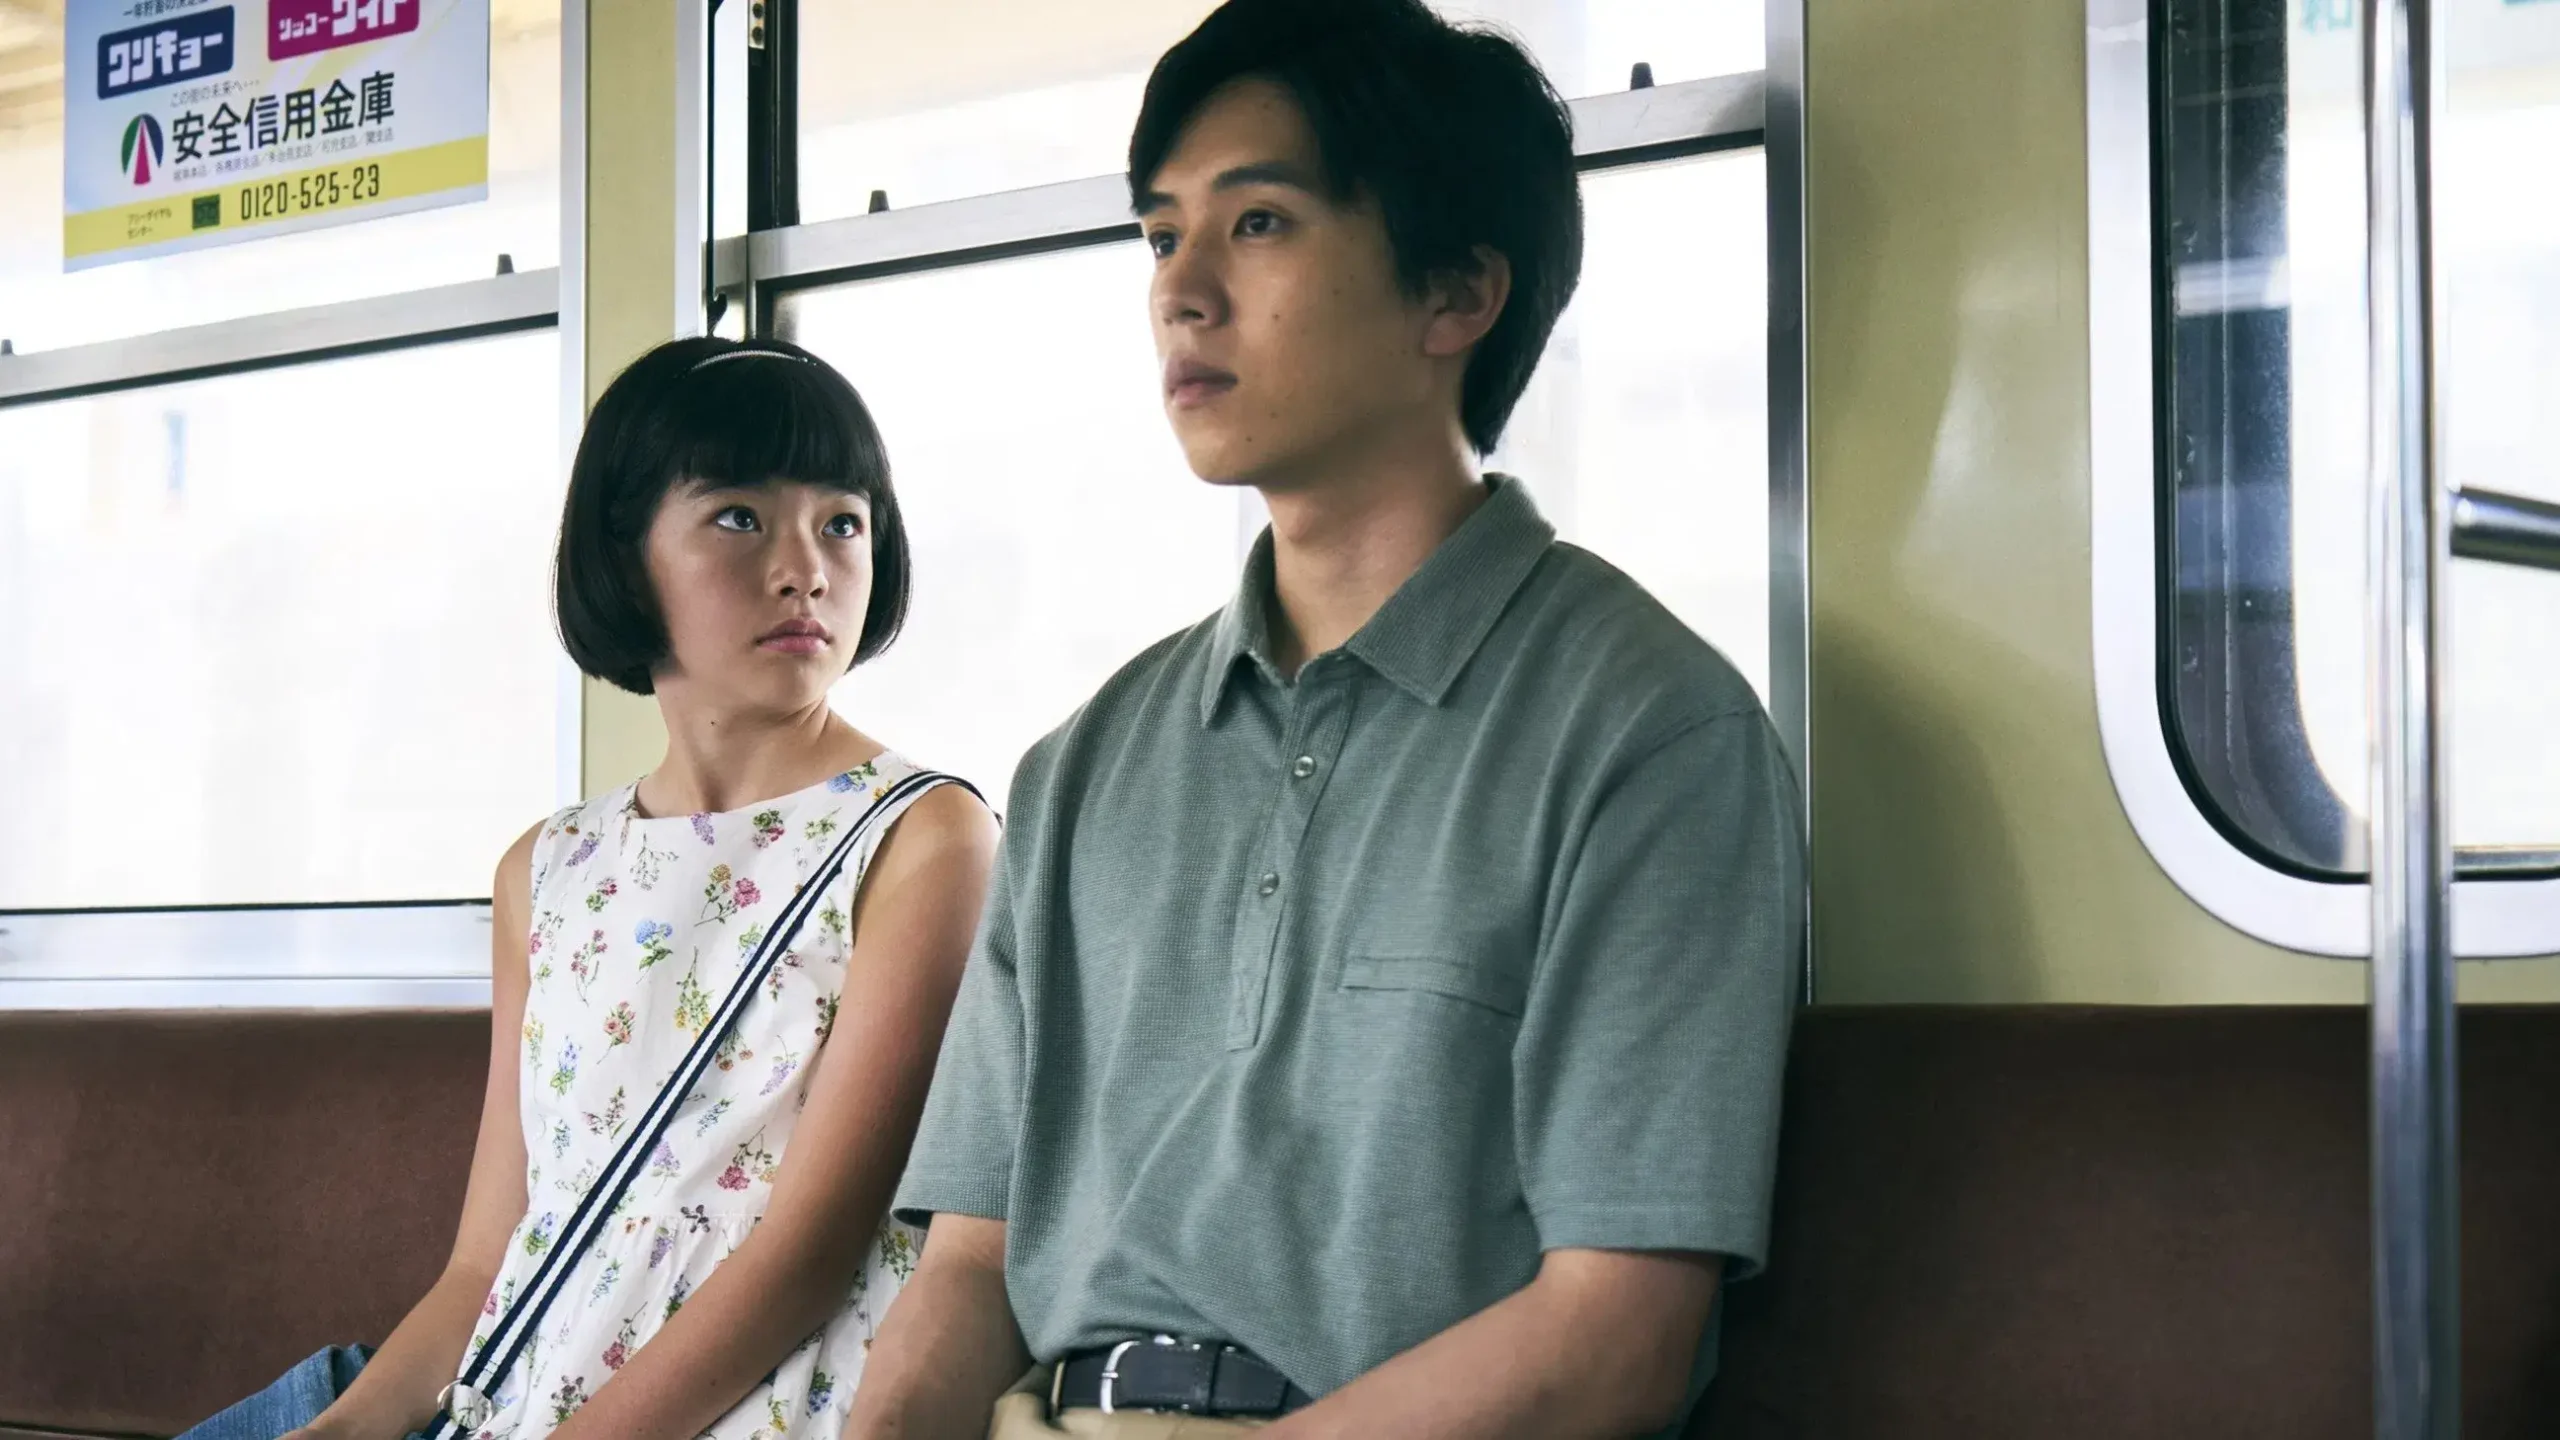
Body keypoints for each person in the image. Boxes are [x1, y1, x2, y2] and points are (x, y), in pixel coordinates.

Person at [844, 2, 1805, 1437]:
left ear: (1456, 293)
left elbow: (1614, 1340)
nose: (1181, 293)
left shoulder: (1648, 733)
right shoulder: (1081, 770)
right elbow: (973, 1270)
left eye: (1260, 224)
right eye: (1160, 237)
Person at [180, 337, 999, 1440]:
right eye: (740, 517)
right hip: (509, 1395)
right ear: (623, 556)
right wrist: (338, 1434)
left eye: (843, 523)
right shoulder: (545, 869)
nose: (805, 567)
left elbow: (806, 1255)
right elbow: (487, 1262)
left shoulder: (923, 837)